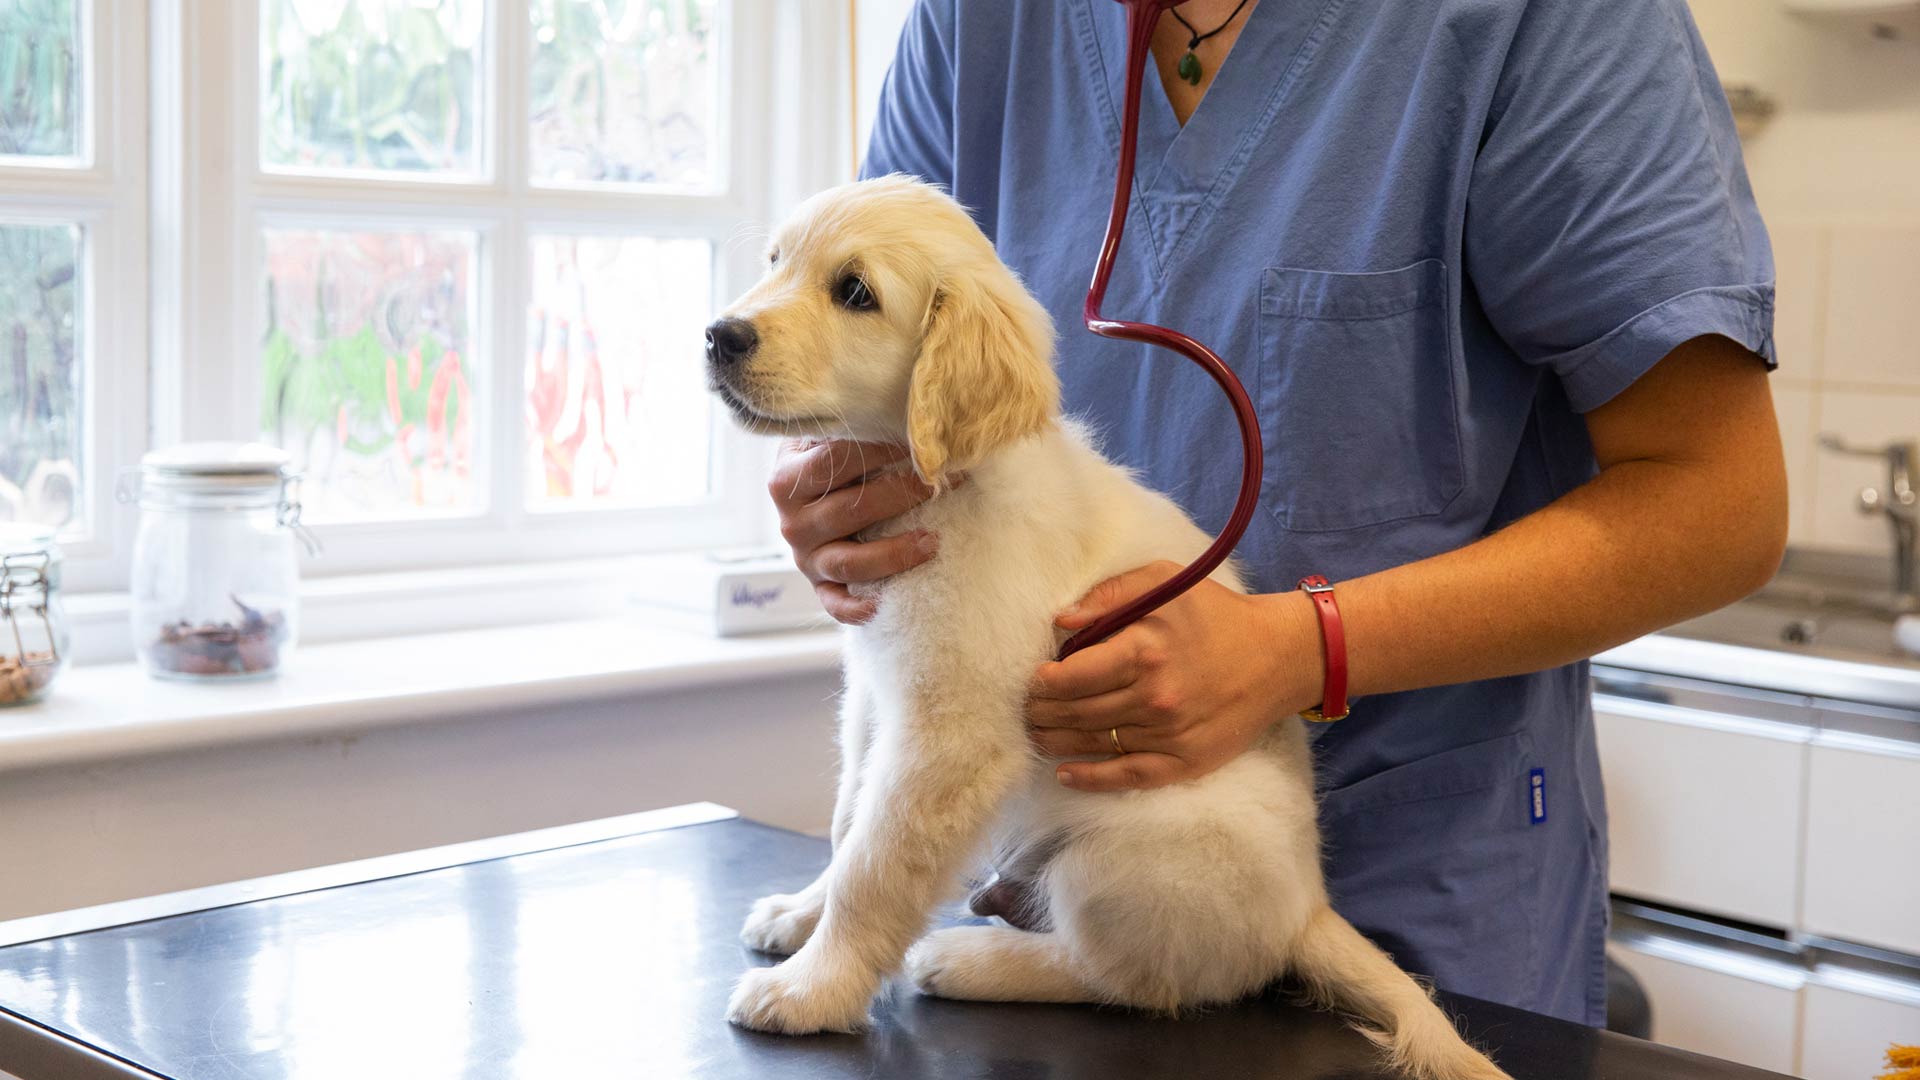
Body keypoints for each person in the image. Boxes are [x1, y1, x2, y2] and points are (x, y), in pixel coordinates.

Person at [766, 0, 1787, 1027]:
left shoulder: (1546, 24)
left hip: (1424, 883)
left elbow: (1720, 505)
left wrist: (1300, 649)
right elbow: (871, 361)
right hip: (1041, 898)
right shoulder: (977, 22)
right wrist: (845, 497)